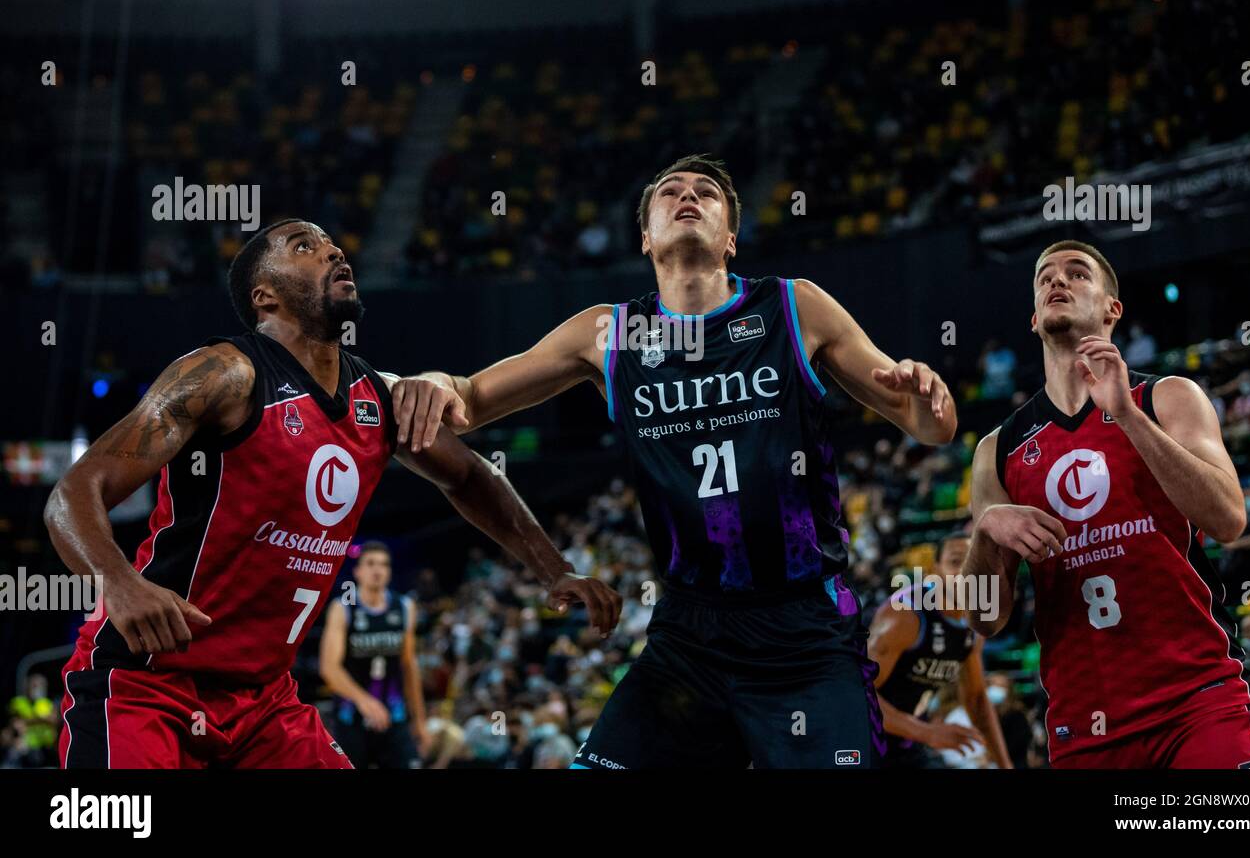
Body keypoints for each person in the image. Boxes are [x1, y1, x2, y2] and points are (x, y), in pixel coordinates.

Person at [422, 155, 958, 768]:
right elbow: (466, 399)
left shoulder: (795, 307)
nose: (688, 196)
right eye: (671, 192)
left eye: (706, 192)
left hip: (805, 633)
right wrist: (430, 380)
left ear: (730, 238)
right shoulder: (611, 334)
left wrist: (927, 398)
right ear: (646, 237)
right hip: (689, 637)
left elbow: (927, 426)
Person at [46, 218, 621, 769]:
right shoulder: (223, 373)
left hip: (265, 703)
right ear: (264, 295)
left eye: (334, 246)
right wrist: (118, 584)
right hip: (145, 684)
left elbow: (471, 475)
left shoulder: (379, 399)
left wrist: (555, 571)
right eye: (304, 245)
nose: (334, 252)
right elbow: (73, 493)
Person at [962, 239, 1250, 768]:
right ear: (1034, 318)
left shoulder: (1168, 397)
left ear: (1113, 309)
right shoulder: (997, 450)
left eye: (1077, 273)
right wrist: (985, 531)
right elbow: (984, 618)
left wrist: (1128, 418)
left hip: (1198, 702)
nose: (1056, 282)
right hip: (1085, 729)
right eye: (1045, 278)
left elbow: (1228, 518)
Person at [868, 534, 1012, 768]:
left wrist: (1005, 764)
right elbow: (859, 693)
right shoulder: (905, 616)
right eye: (955, 562)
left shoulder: (973, 625)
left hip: (907, 740)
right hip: (861, 739)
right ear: (934, 571)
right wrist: (927, 732)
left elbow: (975, 699)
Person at [320, 541, 425, 768]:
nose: (377, 570)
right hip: (351, 717)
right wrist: (364, 700)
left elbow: (409, 665)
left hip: (394, 716)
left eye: (384, 565)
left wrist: (420, 720)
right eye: (370, 564)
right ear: (358, 571)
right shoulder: (343, 608)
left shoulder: (405, 606)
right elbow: (329, 668)